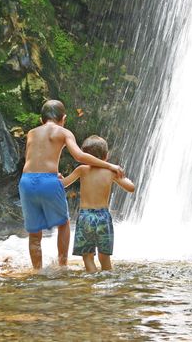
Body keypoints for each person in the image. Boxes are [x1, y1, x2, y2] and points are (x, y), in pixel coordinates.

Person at [19, 100, 124, 270]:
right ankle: (62, 266)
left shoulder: (31, 133)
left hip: (26, 181)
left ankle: (37, 271)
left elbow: (32, 159)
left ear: (41, 119)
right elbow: (79, 156)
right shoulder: (63, 132)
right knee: (63, 223)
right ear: (64, 118)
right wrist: (109, 165)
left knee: (34, 233)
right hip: (49, 182)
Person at [62, 135, 135, 273]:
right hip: (103, 216)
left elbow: (63, 184)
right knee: (104, 256)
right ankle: (106, 281)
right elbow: (131, 188)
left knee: (87, 257)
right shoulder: (110, 172)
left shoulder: (82, 170)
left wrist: (58, 178)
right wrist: (123, 176)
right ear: (106, 156)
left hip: (86, 217)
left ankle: (93, 280)